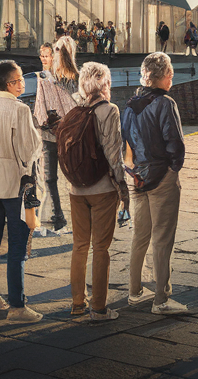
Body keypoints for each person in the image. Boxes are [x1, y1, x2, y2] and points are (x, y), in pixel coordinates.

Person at [0, 60, 44, 322]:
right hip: (15, 184)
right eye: (17, 80)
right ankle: (17, 305)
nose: (21, 83)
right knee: (17, 246)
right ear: (8, 83)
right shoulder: (19, 110)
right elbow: (29, 149)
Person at [121, 52, 188, 314]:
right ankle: (162, 298)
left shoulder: (130, 104)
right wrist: (173, 170)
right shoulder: (165, 103)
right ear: (165, 76)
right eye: (170, 74)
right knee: (162, 239)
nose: (172, 78)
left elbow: (125, 141)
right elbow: (176, 143)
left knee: (140, 236)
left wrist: (134, 171)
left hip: (137, 177)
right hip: (161, 177)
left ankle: (135, 291)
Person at [63, 61, 130, 321]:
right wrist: (122, 188)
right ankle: (99, 308)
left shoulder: (73, 104)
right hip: (102, 189)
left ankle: (77, 302)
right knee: (101, 248)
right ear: (104, 83)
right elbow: (114, 153)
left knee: (79, 246)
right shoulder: (109, 110)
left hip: (75, 188)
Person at [34, 37, 78, 233]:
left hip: (64, 134)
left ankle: (72, 215)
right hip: (50, 134)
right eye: (42, 56)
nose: (45, 59)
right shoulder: (43, 77)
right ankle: (57, 215)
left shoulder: (69, 77)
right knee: (50, 178)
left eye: (48, 55)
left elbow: (73, 105)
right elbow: (40, 104)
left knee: (70, 176)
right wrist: (44, 122)